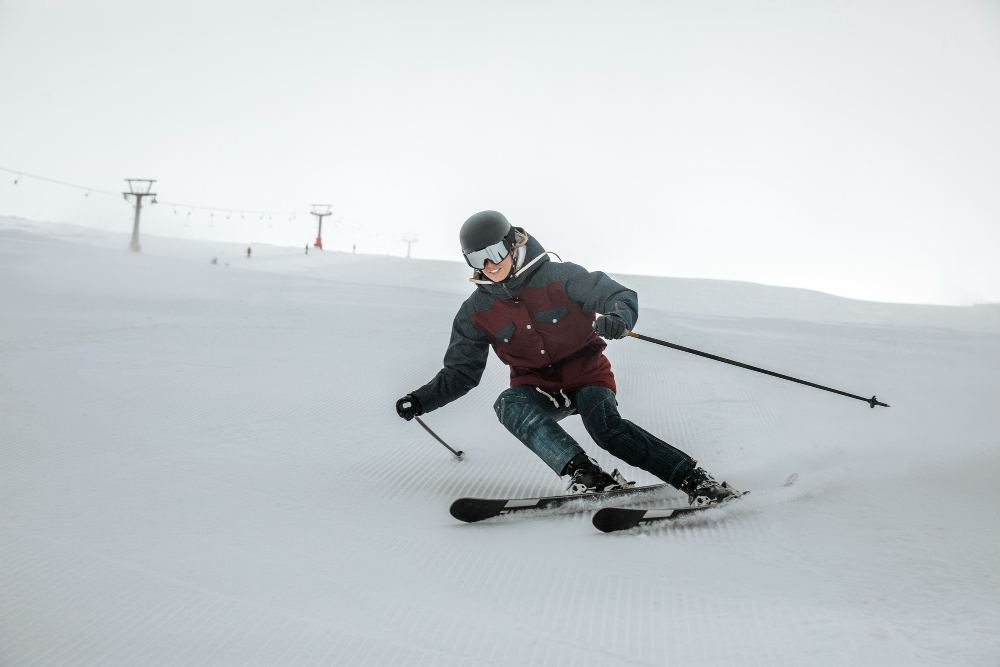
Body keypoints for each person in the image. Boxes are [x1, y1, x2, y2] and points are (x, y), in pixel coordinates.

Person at [395, 211, 740, 505]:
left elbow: (618, 295)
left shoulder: (560, 277)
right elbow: (460, 373)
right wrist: (421, 401)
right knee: (508, 404)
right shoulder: (476, 311)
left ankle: (696, 480)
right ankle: (587, 474)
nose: (488, 265)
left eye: (494, 252)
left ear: (513, 244)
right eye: (476, 259)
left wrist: (618, 318)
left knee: (605, 429)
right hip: (538, 387)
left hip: (588, 375)